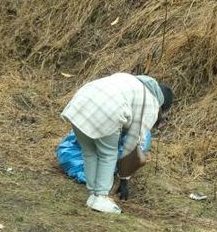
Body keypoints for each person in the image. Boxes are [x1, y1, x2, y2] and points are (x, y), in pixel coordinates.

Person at [60, 73, 173, 214]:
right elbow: (132, 144)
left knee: (89, 152)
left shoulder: (129, 80)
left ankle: (93, 195)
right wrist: (124, 179)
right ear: (162, 105)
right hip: (107, 110)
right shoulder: (152, 103)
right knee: (108, 153)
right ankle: (101, 197)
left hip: (80, 102)